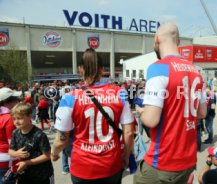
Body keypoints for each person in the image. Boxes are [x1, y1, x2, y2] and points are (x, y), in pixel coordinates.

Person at [135, 22, 207, 184]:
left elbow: (151, 120)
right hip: (188, 160)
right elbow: (202, 113)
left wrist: (140, 112)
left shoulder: (158, 68)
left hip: (163, 161)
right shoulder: (196, 70)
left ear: (157, 39)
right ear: (178, 41)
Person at [51, 48, 135, 184]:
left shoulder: (70, 97)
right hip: (111, 165)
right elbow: (129, 132)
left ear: (80, 69)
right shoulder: (120, 93)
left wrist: (54, 153)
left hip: (82, 168)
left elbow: (61, 139)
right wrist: (126, 155)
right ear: (102, 69)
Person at [9, 102, 54, 183]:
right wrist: (16, 153)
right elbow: (10, 150)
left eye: (19, 118)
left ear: (29, 116)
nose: (16, 122)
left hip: (42, 176)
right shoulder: (15, 133)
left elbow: (47, 155)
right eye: (14, 119)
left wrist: (27, 163)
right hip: (23, 176)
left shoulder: (40, 135)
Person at [0, 87, 21, 183]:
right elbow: (13, 143)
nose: (18, 102)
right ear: (7, 102)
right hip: (7, 160)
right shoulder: (9, 118)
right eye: (16, 99)